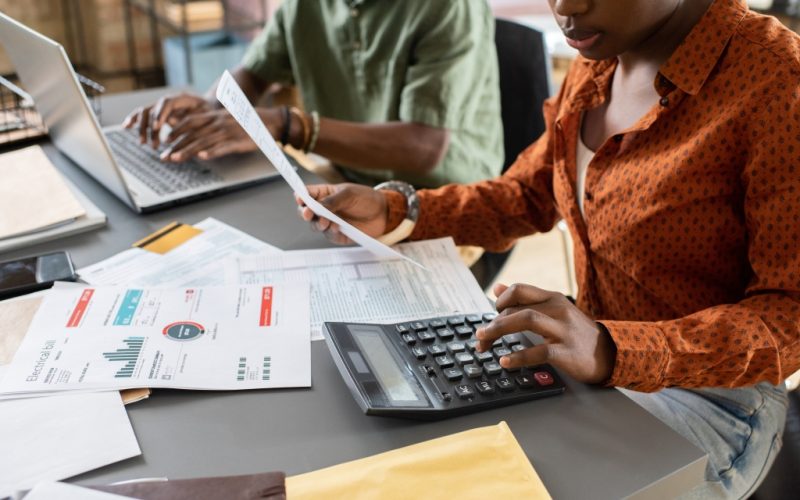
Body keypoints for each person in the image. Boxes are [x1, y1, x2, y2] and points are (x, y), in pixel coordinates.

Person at [295, 0, 800, 497]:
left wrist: (612, 348)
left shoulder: (778, 85)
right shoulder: (600, 57)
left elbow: (788, 315)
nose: (565, 7)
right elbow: (529, 194)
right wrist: (399, 210)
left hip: (712, 401)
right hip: (594, 364)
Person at [123, 0, 503, 189]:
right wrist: (207, 110)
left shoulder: (448, 7)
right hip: (347, 177)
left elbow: (423, 148)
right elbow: (254, 75)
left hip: (443, 195)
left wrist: (286, 125)